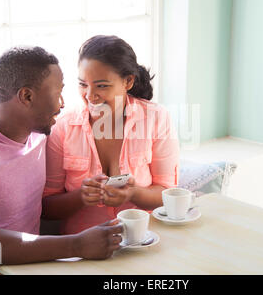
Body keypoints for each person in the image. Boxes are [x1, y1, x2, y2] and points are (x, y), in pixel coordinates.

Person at [0, 46, 123, 275]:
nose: (62, 103)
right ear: (27, 96)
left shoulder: (37, 134)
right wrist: (76, 245)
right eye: (57, 93)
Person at [41, 35, 180, 234]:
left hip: (144, 238)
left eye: (102, 86)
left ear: (128, 82)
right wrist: (80, 196)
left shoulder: (155, 118)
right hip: (83, 246)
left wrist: (133, 193)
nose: (90, 95)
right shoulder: (62, 127)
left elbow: (168, 193)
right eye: (83, 84)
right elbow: (46, 207)